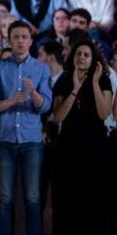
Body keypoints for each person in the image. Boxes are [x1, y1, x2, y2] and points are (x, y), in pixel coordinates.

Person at [0, 21, 52, 235]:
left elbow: (46, 106)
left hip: (32, 141)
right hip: (4, 141)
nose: (20, 40)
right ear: (9, 40)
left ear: (31, 41)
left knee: (33, 198)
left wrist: (33, 95)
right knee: (4, 200)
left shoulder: (41, 69)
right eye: (16, 37)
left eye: (24, 37)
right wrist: (11, 101)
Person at [52, 39, 113, 234]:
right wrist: (75, 89)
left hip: (96, 146)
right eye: (78, 53)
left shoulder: (103, 79)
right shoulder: (64, 79)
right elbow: (59, 115)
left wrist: (93, 83)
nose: (81, 57)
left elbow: (104, 113)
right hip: (68, 145)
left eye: (86, 55)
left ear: (93, 59)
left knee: (94, 200)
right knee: (68, 200)